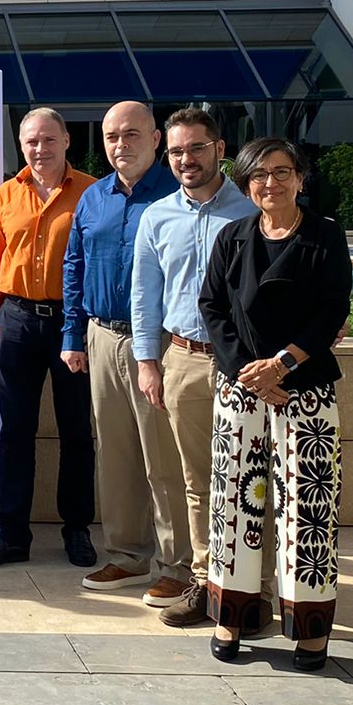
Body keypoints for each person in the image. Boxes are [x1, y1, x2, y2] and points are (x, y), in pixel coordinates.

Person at [199, 137, 353, 671]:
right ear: (246, 185)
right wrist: (251, 370)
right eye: (259, 175)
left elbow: (334, 308)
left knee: (308, 510)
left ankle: (309, 631)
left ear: (300, 179)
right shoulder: (231, 237)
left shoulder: (326, 237)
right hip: (239, 387)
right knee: (232, 506)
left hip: (303, 389)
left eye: (282, 172)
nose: (271, 183)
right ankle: (230, 618)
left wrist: (281, 365)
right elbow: (212, 305)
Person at [128, 107, 259, 628]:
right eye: (177, 151)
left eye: (196, 148)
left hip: (247, 366)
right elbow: (145, 296)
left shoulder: (251, 210)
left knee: (253, 478)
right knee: (196, 481)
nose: (186, 159)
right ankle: (206, 584)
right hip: (182, 359)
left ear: (220, 150)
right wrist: (148, 361)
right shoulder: (157, 217)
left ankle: (257, 588)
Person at [0, 107, 97, 570]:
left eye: (48, 140)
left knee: (76, 430)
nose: (39, 149)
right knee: (15, 432)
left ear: (65, 140)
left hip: (72, 323)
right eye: (31, 142)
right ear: (21, 146)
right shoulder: (6, 195)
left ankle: (77, 529)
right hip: (18, 319)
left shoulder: (91, 192)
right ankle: (12, 534)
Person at [62, 100, 178, 595]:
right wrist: (72, 336)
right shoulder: (93, 198)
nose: (120, 144)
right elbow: (74, 266)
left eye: (132, 134)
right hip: (103, 336)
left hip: (162, 342)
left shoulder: (178, 194)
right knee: (116, 454)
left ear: (156, 139)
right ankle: (127, 555)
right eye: (112, 136)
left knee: (165, 457)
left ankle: (177, 565)